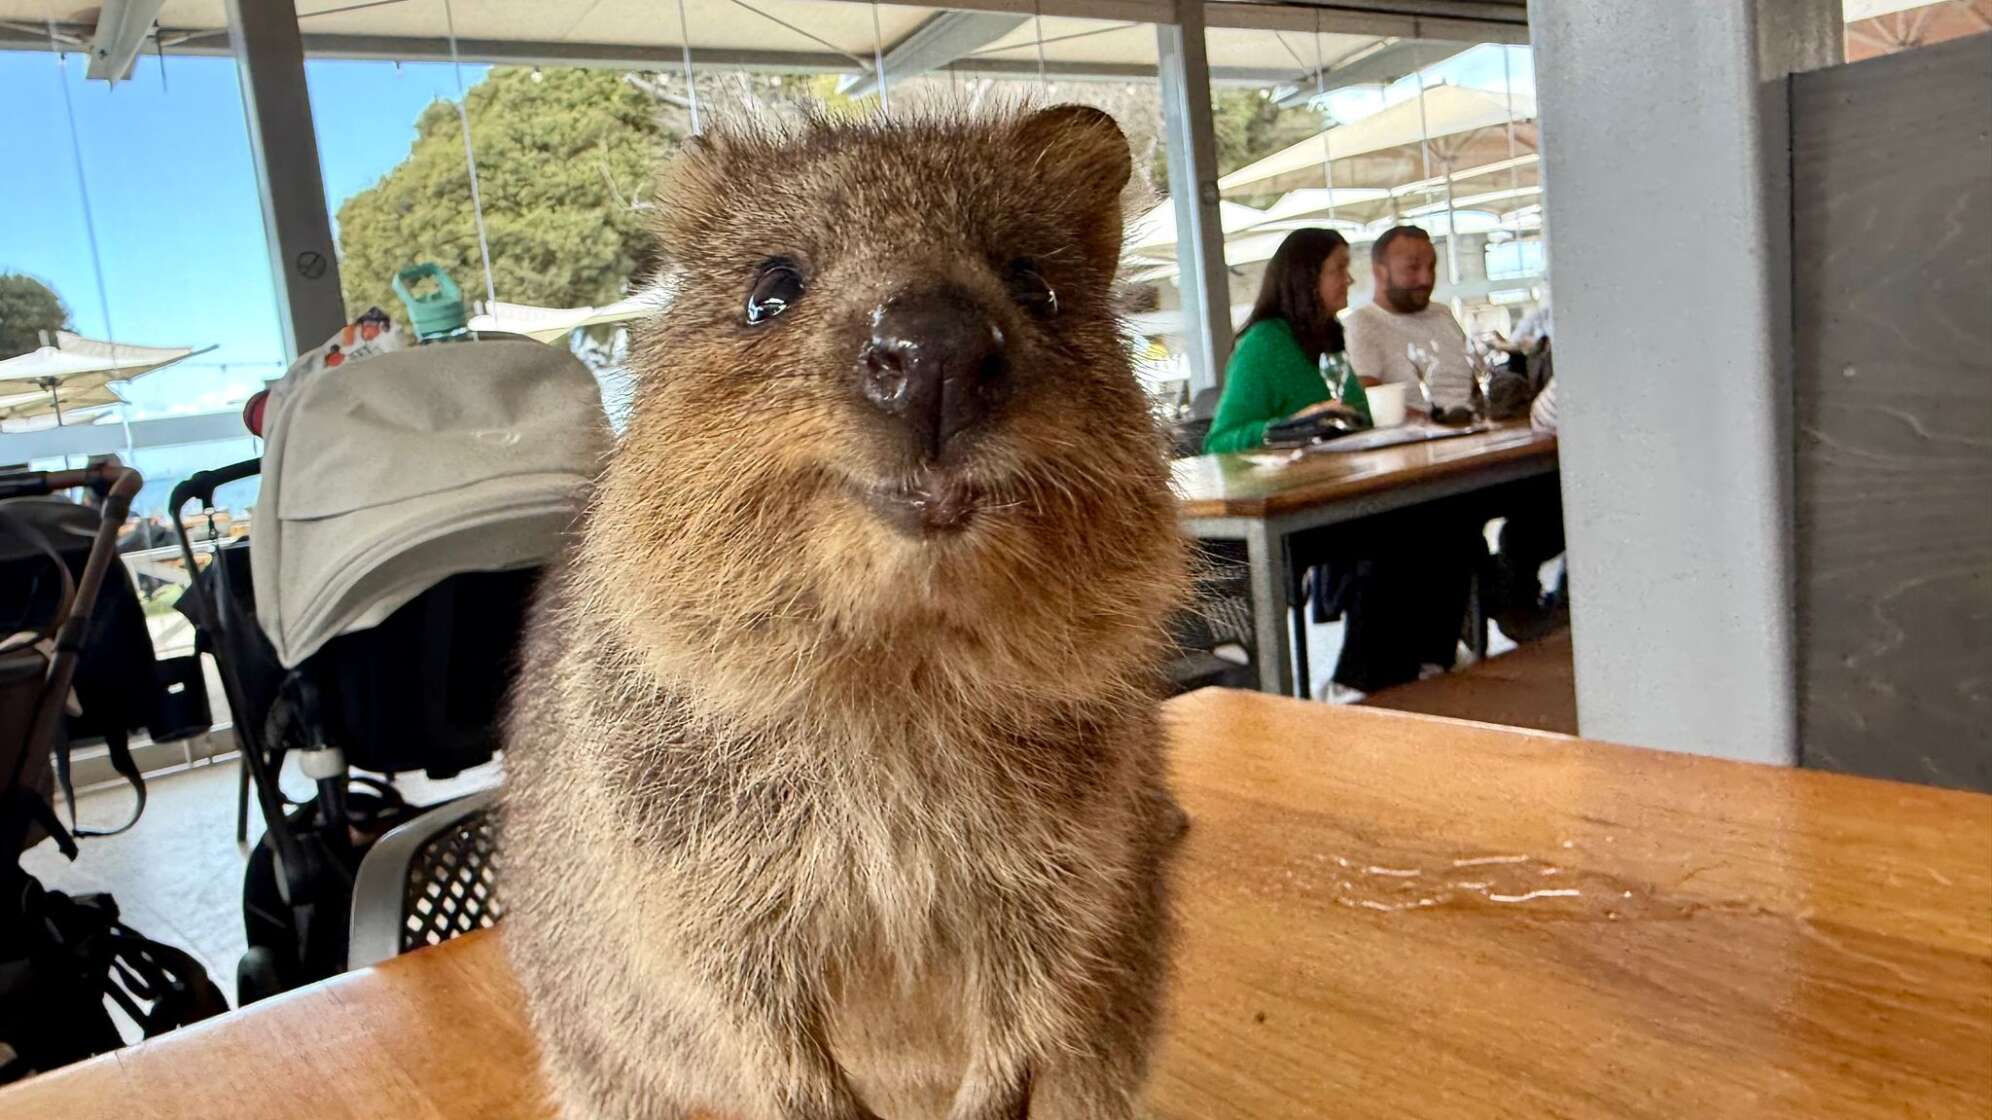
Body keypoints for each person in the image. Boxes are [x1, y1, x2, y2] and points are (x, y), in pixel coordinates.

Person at [1203, 228, 1358, 454]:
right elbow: (1219, 443)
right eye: (1339, 269)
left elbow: (1356, 413)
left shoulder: (1329, 334)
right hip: (1300, 475)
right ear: (1306, 277)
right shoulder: (1263, 344)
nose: (1350, 280)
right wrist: (1292, 427)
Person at [1345, 225, 1475, 411]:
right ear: (1379, 272)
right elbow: (1369, 401)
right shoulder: (1363, 322)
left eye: (1431, 267)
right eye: (1413, 268)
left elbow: (1474, 378)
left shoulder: (1442, 313)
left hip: (1474, 418)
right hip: (1422, 425)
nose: (1426, 279)